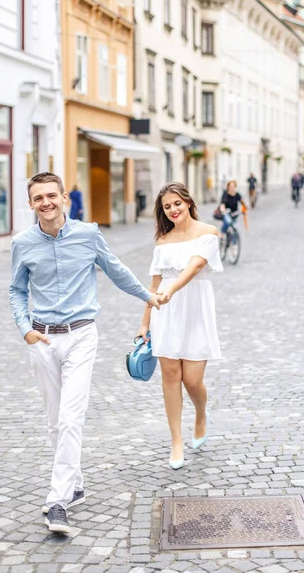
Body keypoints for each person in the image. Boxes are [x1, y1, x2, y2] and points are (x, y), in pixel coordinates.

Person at [9, 172, 160, 535]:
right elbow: (16, 289)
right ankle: (74, 483)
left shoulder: (89, 234)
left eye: (51, 196)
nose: (45, 202)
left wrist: (149, 297)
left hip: (81, 336)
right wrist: (25, 330)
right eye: (38, 198)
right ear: (30, 204)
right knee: (53, 419)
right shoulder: (23, 243)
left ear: (65, 198)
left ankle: (57, 501)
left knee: (71, 416)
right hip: (42, 339)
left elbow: (116, 270)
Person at [137, 182, 223, 470]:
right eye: (166, 206)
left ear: (188, 201)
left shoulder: (208, 233)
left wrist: (172, 289)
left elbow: (195, 266)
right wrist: (144, 324)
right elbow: (153, 286)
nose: (172, 209)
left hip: (196, 310)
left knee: (193, 380)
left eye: (177, 203)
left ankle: (201, 413)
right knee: (171, 375)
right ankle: (176, 440)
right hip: (166, 313)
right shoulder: (162, 243)